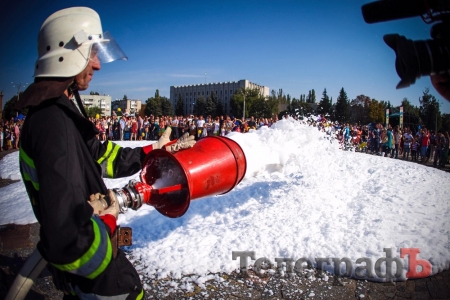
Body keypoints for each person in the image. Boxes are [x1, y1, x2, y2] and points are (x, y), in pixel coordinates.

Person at [15, 7, 195, 299]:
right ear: (67, 54)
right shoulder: (53, 125)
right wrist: (109, 218)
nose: (97, 65)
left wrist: (153, 151)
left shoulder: (59, 113)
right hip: (93, 273)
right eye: (92, 53)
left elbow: (98, 156)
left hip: (89, 263)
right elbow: (69, 240)